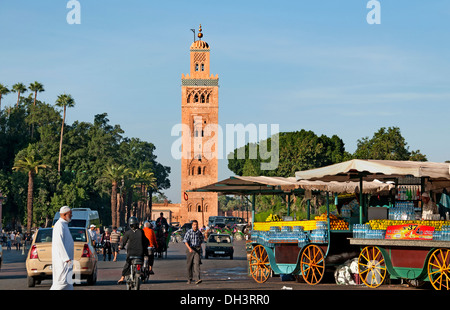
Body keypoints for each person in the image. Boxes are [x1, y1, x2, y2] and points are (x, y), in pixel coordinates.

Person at [117, 217, 149, 284]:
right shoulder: (141, 231)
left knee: (127, 264)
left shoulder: (128, 232)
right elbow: (146, 241)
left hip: (130, 253)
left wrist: (120, 246)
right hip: (140, 253)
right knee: (142, 261)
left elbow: (123, 242)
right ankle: (142, 272)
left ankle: (122, 278)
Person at [50, 206, 74, 290]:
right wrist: (66, 258)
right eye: (70, 214)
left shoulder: (64, 225)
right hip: (63, 261)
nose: (71, 216)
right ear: (64, 214)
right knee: (62, 282)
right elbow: (59, 243)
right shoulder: (59, 225)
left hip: (68, 260)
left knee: (68, 283)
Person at [183, 220, 203, 285]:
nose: (195, 226)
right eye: (194, 225)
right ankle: (189, 279)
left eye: (196, 225)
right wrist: (189, 248)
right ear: (192, 225)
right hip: (190, 249)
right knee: (189, 265)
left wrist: (199, 247)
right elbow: (185, 241)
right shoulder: (189, 232)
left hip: (197, 249)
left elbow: (201, 240)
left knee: (197, 264)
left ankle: (197, 278)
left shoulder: (199, 232)